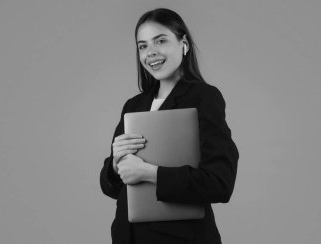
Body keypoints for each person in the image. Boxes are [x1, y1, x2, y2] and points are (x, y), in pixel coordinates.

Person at [100, 8, 239, 244]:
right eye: (142, 46)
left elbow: (219, 184)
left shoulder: (204, 97)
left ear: (183, 44)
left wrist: (149, 172)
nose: (150, 53)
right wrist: (115, 164)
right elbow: (112, 188)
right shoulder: (134, 105)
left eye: (160, 41)